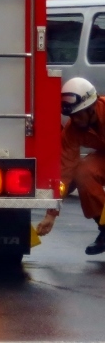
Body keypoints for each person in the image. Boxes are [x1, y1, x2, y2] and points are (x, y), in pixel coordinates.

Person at [36, 77, 105, 255]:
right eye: (71, 116)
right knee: (83, 171)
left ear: (91, 107)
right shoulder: (72, 131)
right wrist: (51, 214)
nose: (75, 120)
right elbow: (64, 172)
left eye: (78, 114)